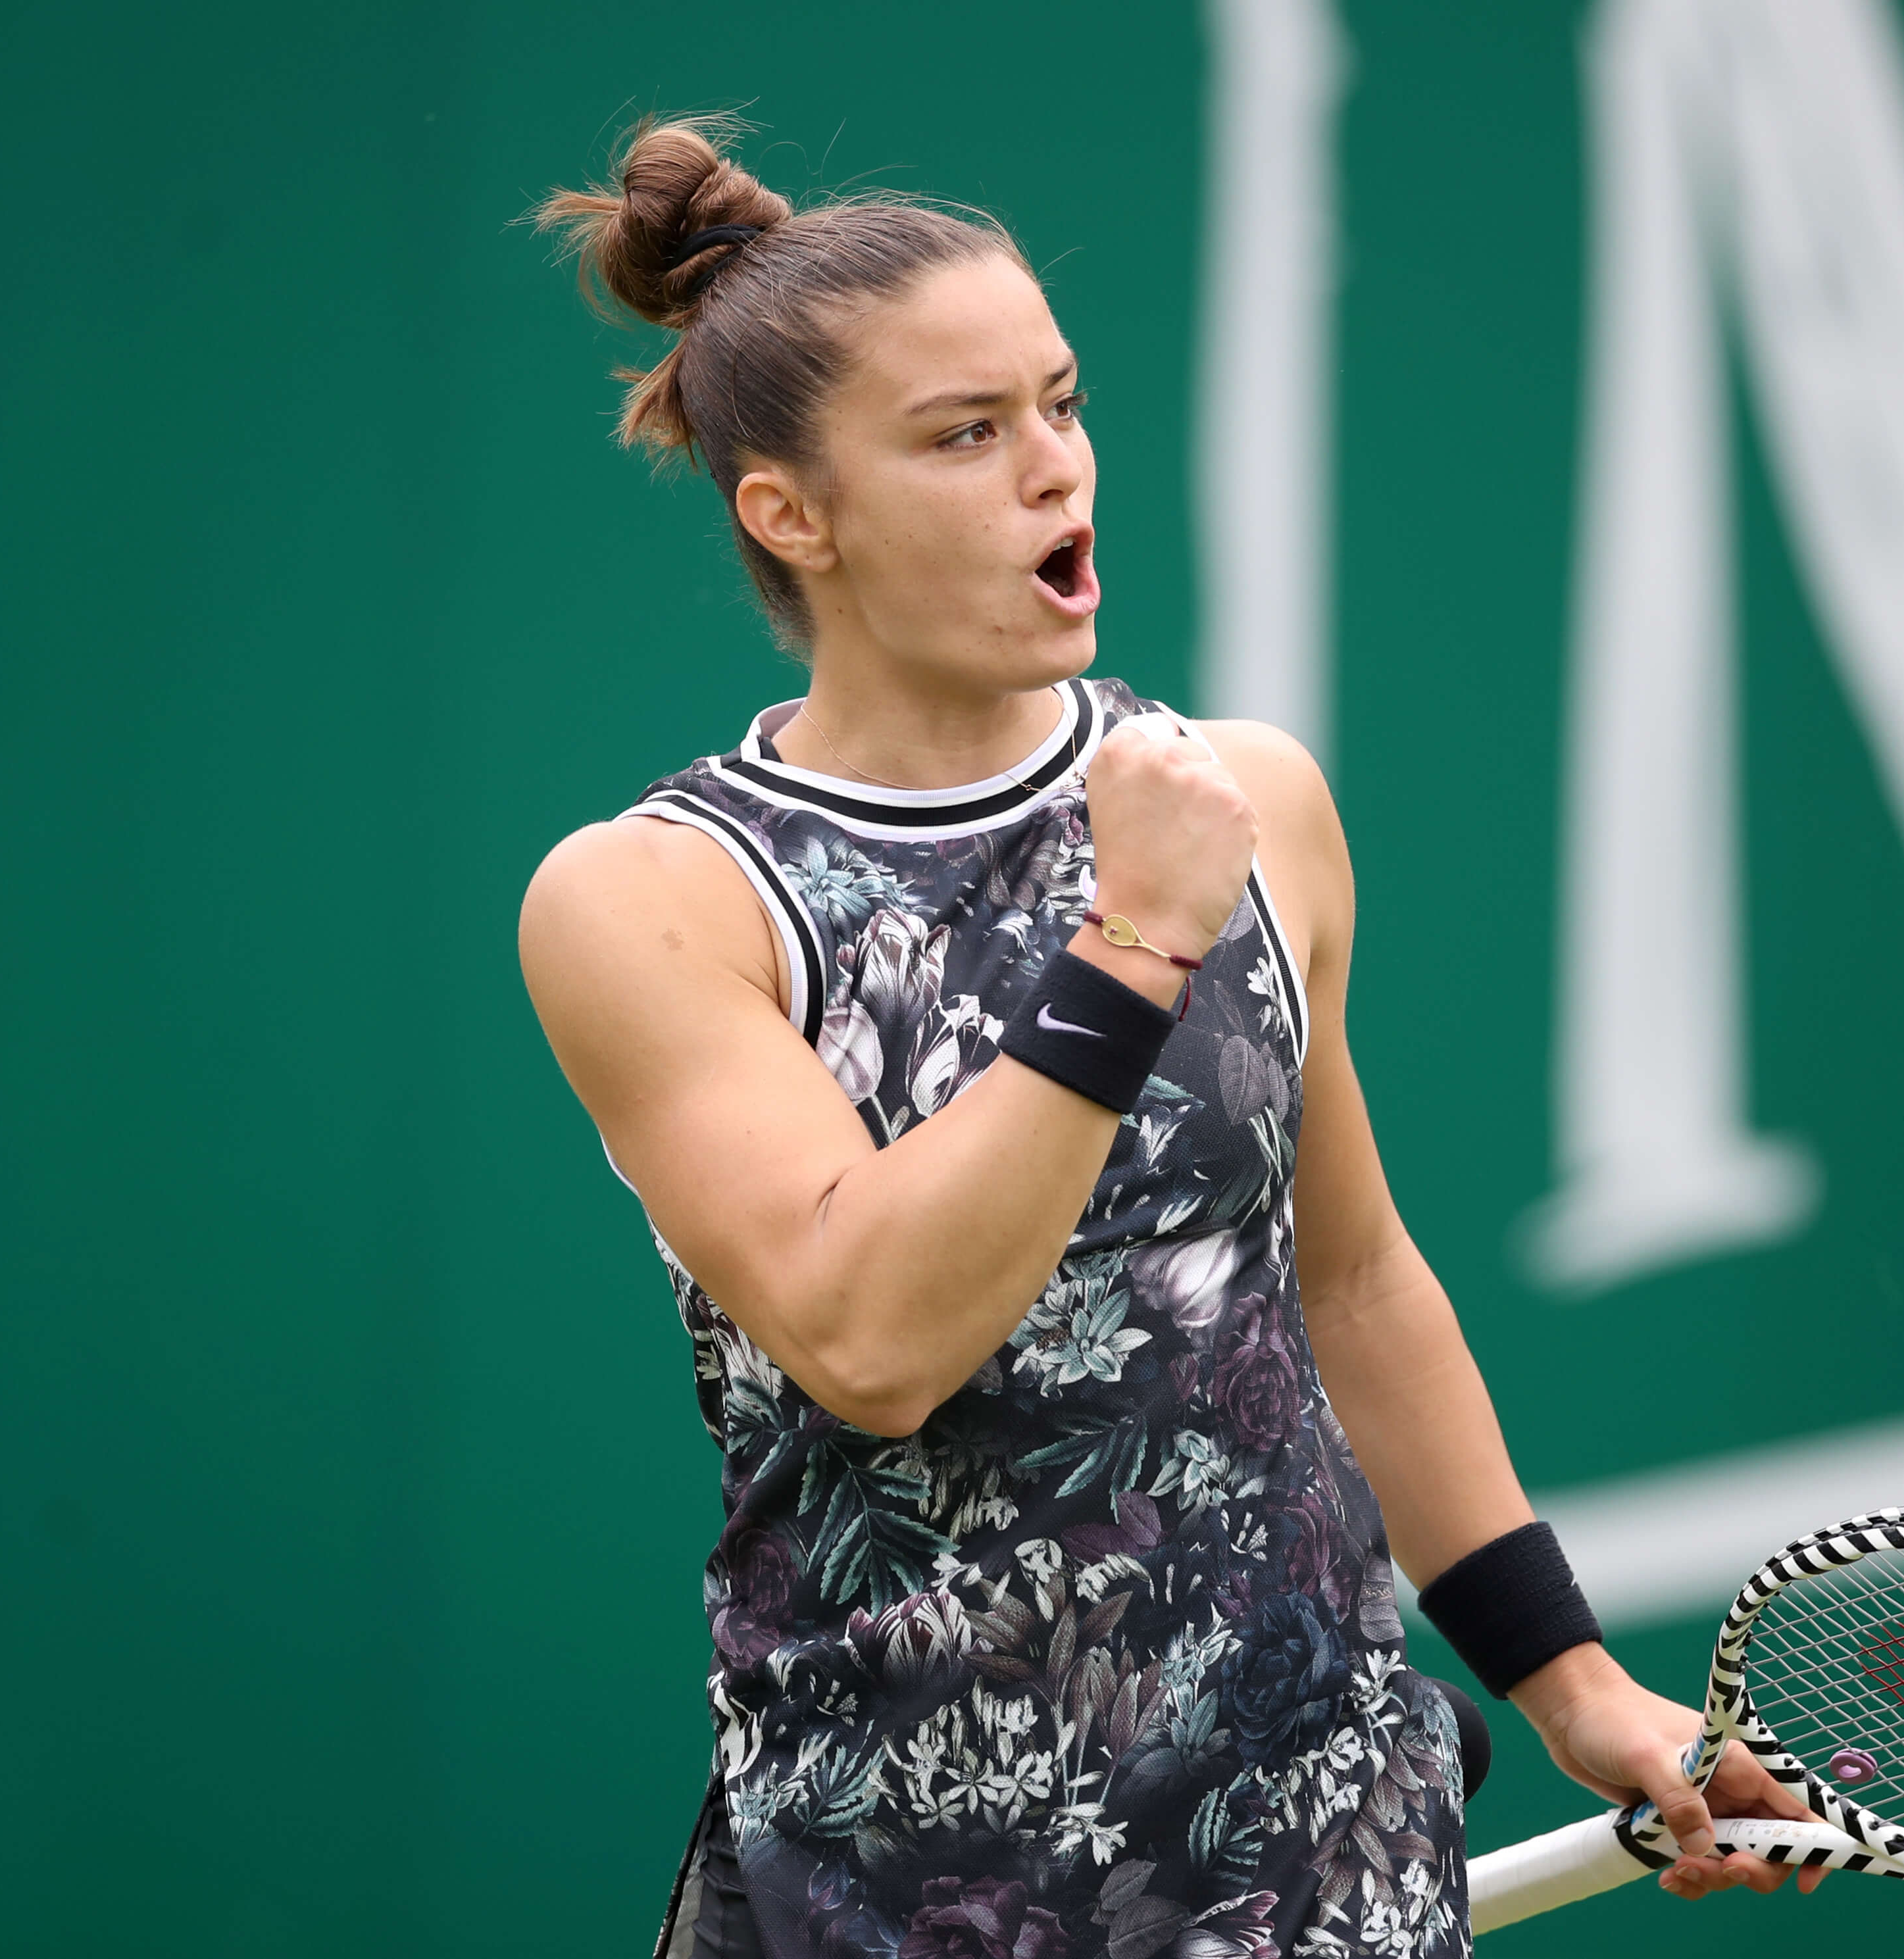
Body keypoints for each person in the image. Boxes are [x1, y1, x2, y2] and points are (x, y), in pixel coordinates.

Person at [519, 115, 1817, 1959]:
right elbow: (871, 1336)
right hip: (885, 1889)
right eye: (965, 435)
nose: (1054, 471)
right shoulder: (652, 900)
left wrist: (1579, 1689)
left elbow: (1351, 1283)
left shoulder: (1251, 799)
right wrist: (1131, 945)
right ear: (788, 513)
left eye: (1060, 404)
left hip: (1324, 1849)